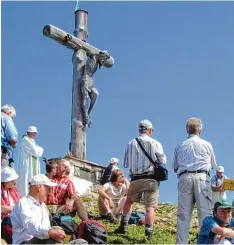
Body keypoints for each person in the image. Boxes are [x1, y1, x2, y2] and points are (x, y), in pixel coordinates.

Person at [115, 119, 166, 239]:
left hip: (135, 178)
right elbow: (162, 161)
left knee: (128, 201)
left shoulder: (131, 143)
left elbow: (126, 164)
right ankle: (148, 233)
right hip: (151, 179)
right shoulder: (155, 143)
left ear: (140, 130)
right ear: (149, 130)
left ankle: (124, 226)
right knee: (150, 207)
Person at [173, 117, 217, 244]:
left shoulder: (179, 146)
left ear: (187, 130)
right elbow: (212, 164)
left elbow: (175, 168)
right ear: (200, 130)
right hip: (202, 178)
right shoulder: (207, 145)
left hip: (184, 177)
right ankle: (206, 242)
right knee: (205, 214)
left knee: (183, 216)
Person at [10, 174, 66, 244]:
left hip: (38, 241)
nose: (50, 192)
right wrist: (50, 232)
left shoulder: (42, 205)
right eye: (48, 188)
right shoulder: (24, 203)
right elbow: (30, 225)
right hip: (24, 242)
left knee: (79, 241)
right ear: (39, 187)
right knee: (52, 232)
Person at [80, 51, 114, 127]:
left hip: (91, 81)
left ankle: (88, 114)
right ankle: (85, 116)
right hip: (85, 79)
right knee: (85, 98)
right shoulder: (93, 56)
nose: (103, 61)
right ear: (101, 56)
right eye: (104, 59)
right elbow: (84, 47)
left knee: (96, 94)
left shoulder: (98, 61)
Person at [17, 126, 44, 197]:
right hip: (27, 165)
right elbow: (35, 151)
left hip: (33, 165)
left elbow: (40, 151)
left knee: (33, 180)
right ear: (29, 132)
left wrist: (39, 149)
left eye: (35, 133)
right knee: (26, 181)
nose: (35, 135)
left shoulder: (33, 142)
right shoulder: (25, 140)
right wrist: (39, 149)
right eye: (34, 133)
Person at [1, 167, 21, 244]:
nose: (14, 182)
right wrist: (11, 209)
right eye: (12, 180)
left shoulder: (14, 190)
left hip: (15, 218)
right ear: (6, 181)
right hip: (5, 221)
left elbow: (21, 203)